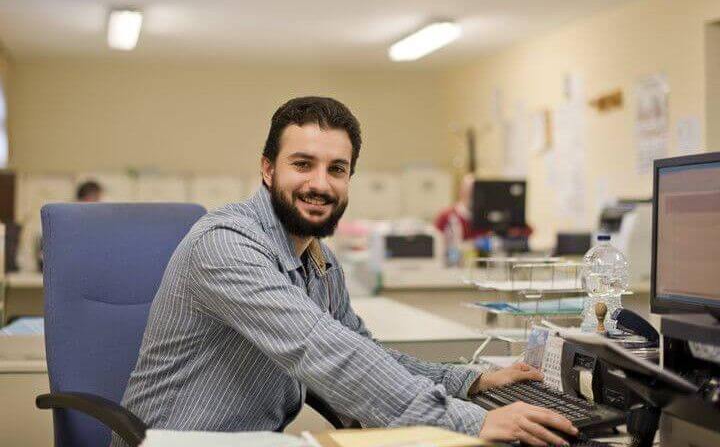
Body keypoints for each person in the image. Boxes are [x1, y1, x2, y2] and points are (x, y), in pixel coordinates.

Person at [112, 97, 576, 446]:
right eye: (302, 164)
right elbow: (325, 351)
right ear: (268, 170)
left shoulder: (318, 257)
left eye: (337, 168)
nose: (320, 183)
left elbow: (362, 350)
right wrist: (473, 421)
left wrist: (470, 381)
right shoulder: (227, 246)